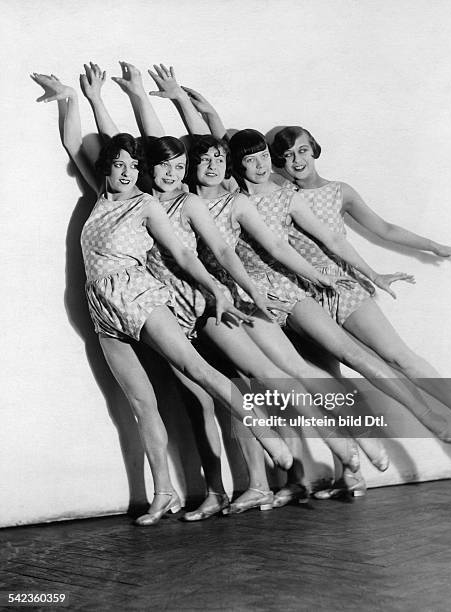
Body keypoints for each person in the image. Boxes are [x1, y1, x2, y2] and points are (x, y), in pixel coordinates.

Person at [84, 61, 383, 515]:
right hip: (161, 308)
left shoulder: (188, 198)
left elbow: (220, 250)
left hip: (206, 302)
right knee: (210, 397)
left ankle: (347, 451)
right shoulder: (143, 194)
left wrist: (242, 291)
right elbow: (134, 149)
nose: (172, 170)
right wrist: (118, 98)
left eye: (180, 165)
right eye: (167, 165)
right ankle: (241, 487)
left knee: (271, 375)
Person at [31, 71, 295, 526]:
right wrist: (73, 98)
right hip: (101, 308)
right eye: (121, 166)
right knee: (141, 405)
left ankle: (269, 437)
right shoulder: (101, 198)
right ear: (109, 169)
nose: (128, 173)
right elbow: (73, 142)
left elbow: (183, 255)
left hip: (140, 294)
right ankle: (164, 493)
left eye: (136, 168)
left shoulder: (147, 205)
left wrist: (215, 287)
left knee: (199, 371)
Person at [268, 125, 451, 440]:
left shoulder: (340, 191)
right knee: (329, 380)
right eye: (287, 155)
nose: (296, 161)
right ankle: (349, 474)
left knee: (397, 356)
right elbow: (240, 154)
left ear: (314, 148)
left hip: (344, 285)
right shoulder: (275, 194)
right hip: (302, 296)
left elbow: (385, 228)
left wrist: (433, 245)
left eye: (301, 150)